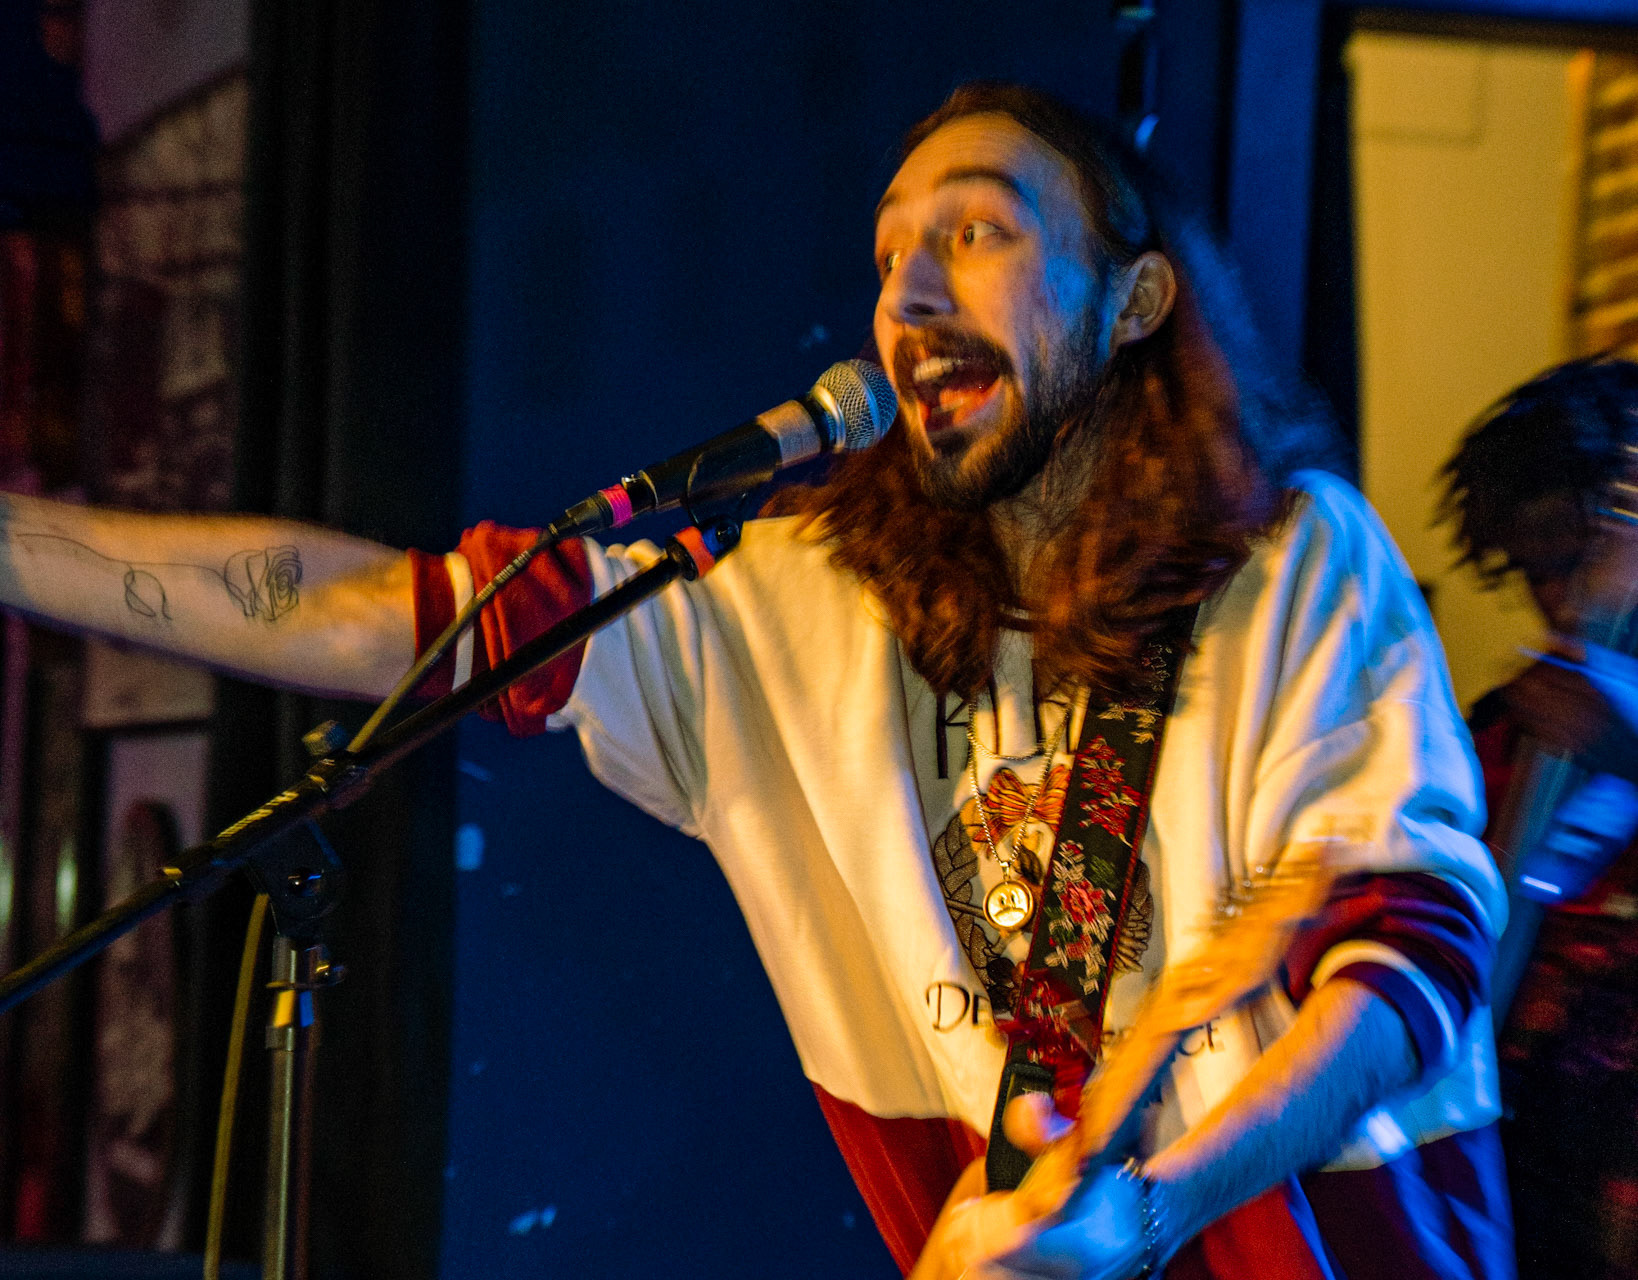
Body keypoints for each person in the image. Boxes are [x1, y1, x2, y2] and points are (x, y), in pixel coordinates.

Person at [1, 84, 1510, 1278]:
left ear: (1135, 302)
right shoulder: (795, 607)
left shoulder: (1290, 559)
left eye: (976, 232)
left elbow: (1407, 955)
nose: (911, 292)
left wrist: (1156, 1207)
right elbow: (373, 613)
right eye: (888, 255)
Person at [1442, 354, 1638, 1280]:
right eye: (1534, 574)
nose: (1560, 603)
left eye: (1575, 562)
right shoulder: (1503, 733)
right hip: (1533, 1181)